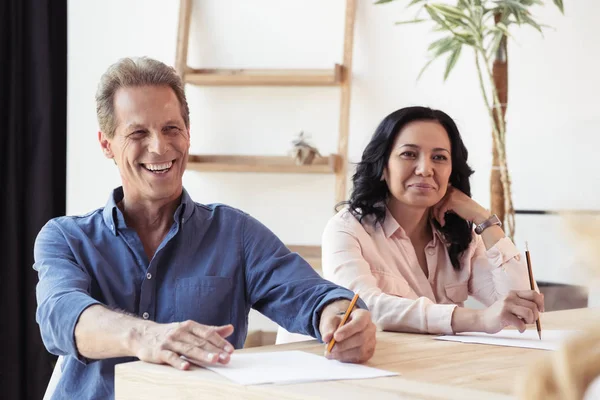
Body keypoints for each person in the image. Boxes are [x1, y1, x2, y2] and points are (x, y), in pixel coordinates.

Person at [34, 57, 376, 400]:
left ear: (188, 135)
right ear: (106, 144)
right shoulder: (66, 238)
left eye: (171, 129)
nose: (159, 146)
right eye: (138, 132)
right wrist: (146, 336)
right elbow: (61, 317)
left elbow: (310, 296)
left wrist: (340, 318)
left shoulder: (235, 233)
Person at [321, 106, 544, 335]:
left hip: (440, 364)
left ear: (451, 171)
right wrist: (477, 319)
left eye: (439, 157)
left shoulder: (462, 235)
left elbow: (523, 308)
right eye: (409, 154)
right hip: (378, 364)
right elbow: (361, 308)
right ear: (382, 166)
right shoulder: (346, 229)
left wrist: (484, 218)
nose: (425, 169)